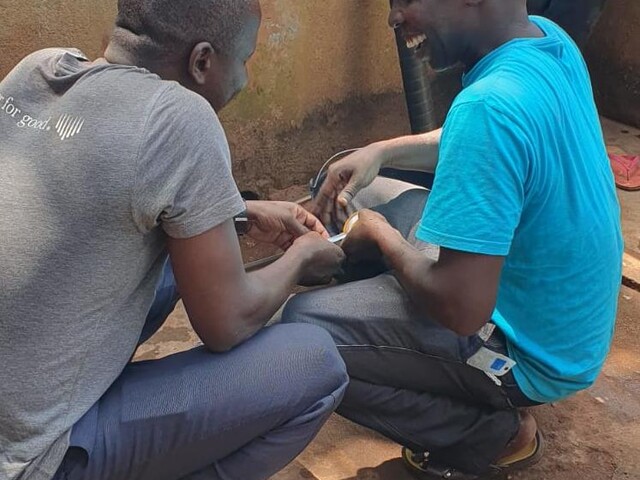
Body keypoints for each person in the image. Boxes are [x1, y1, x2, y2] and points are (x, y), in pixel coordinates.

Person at [0, 1, 350, 479]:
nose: (245, 80)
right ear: (202, 61)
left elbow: (109, 194)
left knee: (168, 263)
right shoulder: (179, 116)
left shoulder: (36, 71)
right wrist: (303, 260)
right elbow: (226, 324)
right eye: (244, 60)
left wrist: (235, 212)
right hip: (27, 458)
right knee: (317, 364)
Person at [282, 0, 623, 478]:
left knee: (303, 335)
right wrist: (379, 151)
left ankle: (493, 435)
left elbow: (460, 310)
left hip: (529, 352)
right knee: (366, 191)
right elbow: (479, 137)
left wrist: (381, 238)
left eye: (406, 1)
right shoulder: (547, 40)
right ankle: (392, 341)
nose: (394, 18)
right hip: (564, 323)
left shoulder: (489, 106)